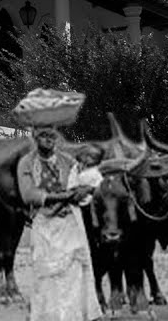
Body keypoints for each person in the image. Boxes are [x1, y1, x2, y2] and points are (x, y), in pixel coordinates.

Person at [18, 122, 100, 321]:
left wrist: (86, 190)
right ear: (35, 137)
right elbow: (29, 195)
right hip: (44, 224)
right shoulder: (26, 163)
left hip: (69, 222)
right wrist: (65, 196)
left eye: (52, 136)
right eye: (44, 135)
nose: (49, 139)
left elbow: (86, 186)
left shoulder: (68, 161)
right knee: (46, 274)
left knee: (73, 272)